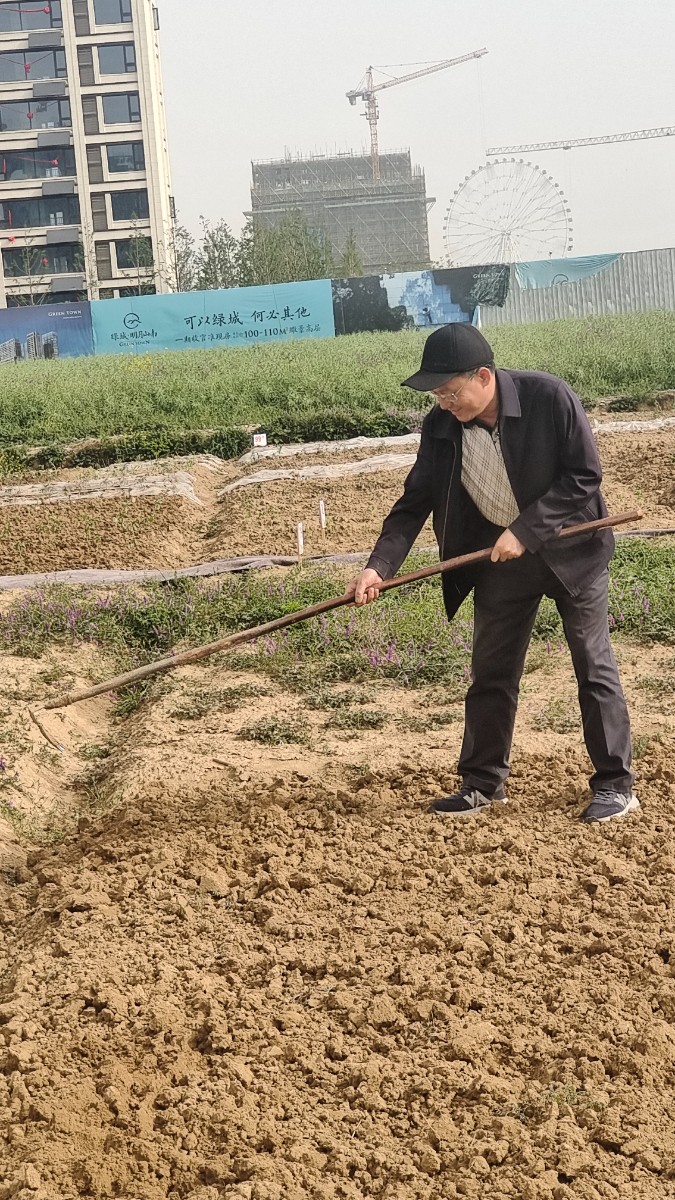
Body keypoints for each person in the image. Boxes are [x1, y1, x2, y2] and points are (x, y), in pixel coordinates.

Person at [348, 323, 639, 824]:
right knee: (491, 673)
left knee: (593, 665)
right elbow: (414, 501)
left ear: (483, 377)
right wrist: (378, 567)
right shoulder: (441, 426)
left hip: (573, 552)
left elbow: (584, 475)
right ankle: (483, 784)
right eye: (437, 395)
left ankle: (615, 786)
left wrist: (526, 529)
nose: (444, 404)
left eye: (450, 392)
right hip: (500, 561)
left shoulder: (549, 397)